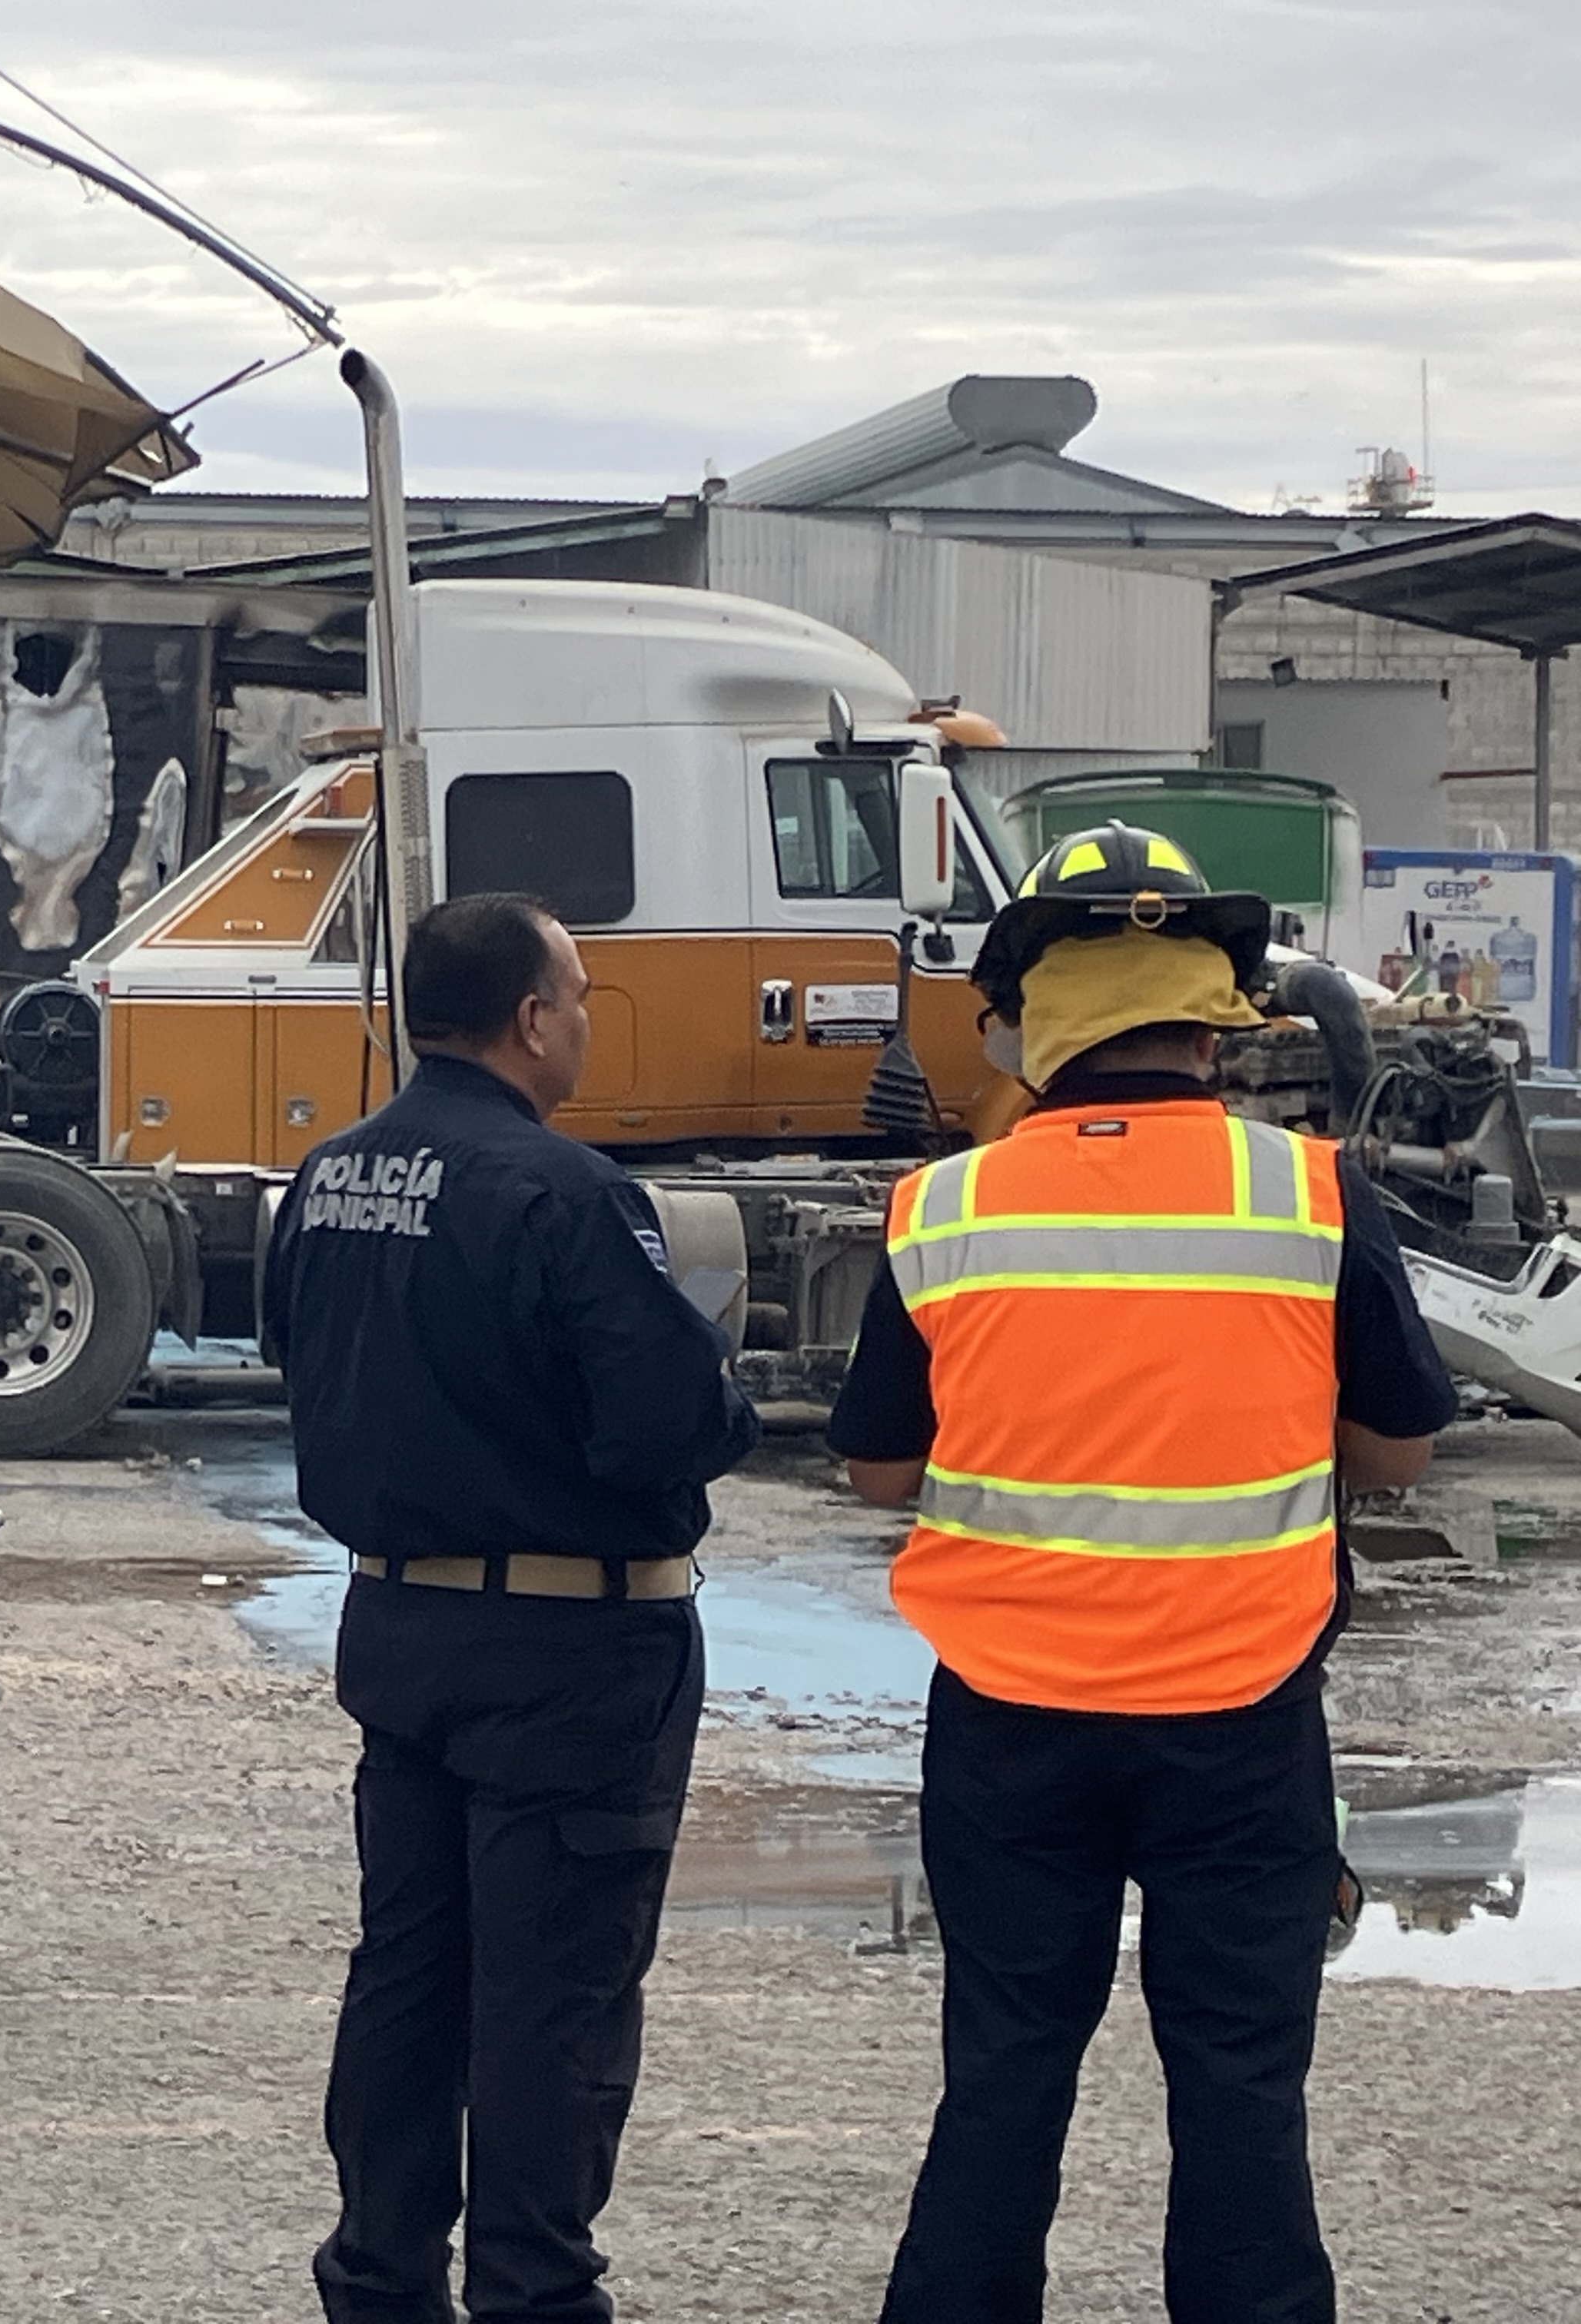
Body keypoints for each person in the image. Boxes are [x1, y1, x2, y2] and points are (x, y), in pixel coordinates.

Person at [828, 822, 1459, 2324]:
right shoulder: (1311, 1197)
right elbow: (1398, 1455)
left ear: (1033, 1017)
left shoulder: (944, 1210)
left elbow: (878, 1473)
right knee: (1240, 2089)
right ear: (1212, 1017)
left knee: (1003, 2076)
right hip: (1242, 1719)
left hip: (1008, 1723)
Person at [264, 891, 762, 2324]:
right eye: (581, 996)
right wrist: (723, 1389)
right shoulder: (567, 1192)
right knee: (555, 1997)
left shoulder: (331, 1176)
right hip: (570, 1647)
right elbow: (664, 1424)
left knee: (409, 1976)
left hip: (398, 1627)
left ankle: (379, 2280)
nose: (586, 1021)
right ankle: (536, 2295)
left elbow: (298, 1355)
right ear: (534, 1019)